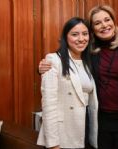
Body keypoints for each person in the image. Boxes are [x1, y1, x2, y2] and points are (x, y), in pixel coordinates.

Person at [39, 5, 118, 149]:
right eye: (97, 23)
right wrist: (42, 67)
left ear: (114, 22)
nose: (104, 25)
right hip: (98, 122)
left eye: (107, 20)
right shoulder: (88, 50)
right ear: (92, 29)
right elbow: (65, 61)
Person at [37, 17, 98, 149]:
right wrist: (53, 144)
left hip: (84, 124)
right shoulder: (53, 60)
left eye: (85, 34)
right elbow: (49, 104)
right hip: (63, 131)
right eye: (75, 34)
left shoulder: (88, 61)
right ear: (65, 37)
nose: (81, 39)